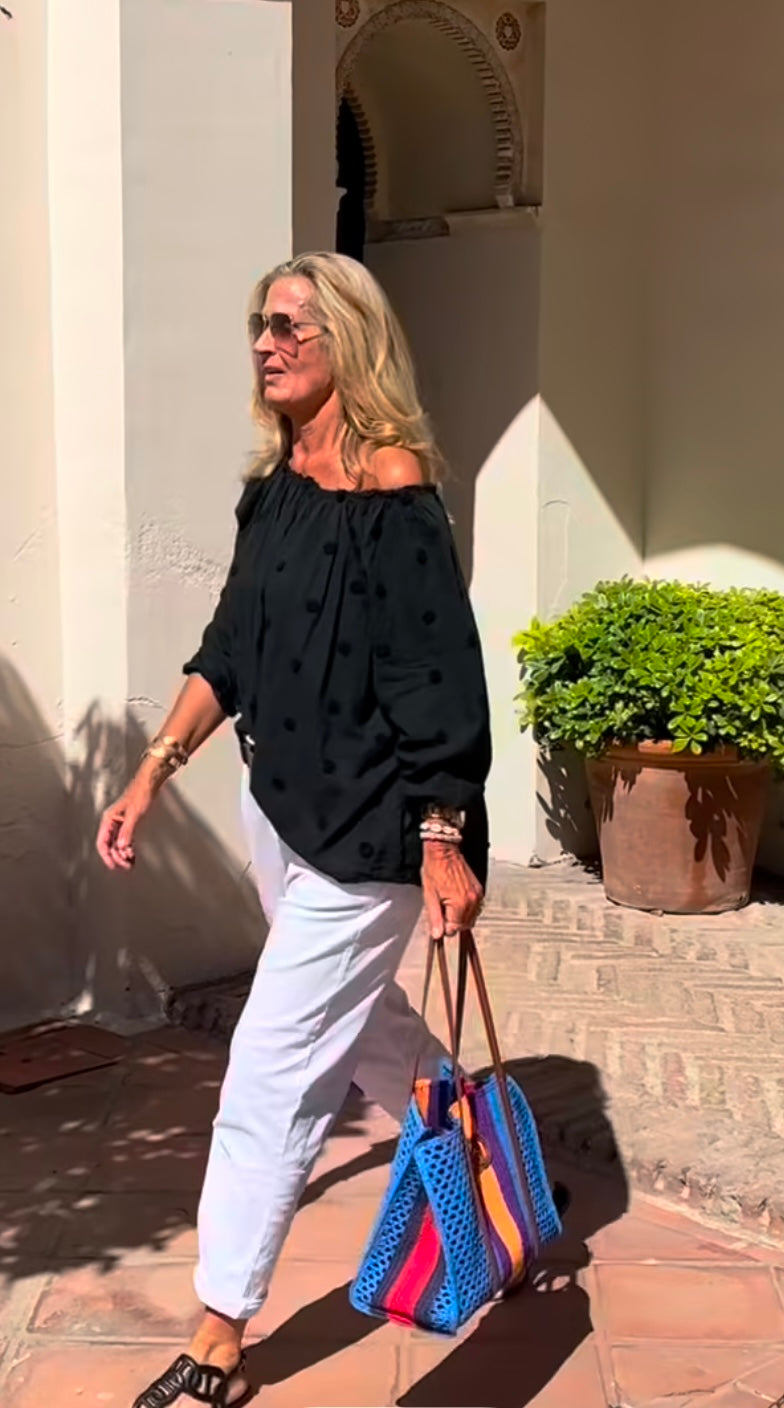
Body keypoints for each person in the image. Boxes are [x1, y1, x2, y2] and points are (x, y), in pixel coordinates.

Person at [97, 252, 491, 1408]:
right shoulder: (273, 488)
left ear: (346, 343)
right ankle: (472, 1155)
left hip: (372, 830)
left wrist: (441, 832)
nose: (266, 344)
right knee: (359, 1023)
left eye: (287, 326)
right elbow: (229, 646)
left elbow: (434, 674)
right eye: (258, 326)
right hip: (279, 808)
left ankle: (219, 1331)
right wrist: (152, 770)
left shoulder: (393, 492)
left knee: (270, 1071)